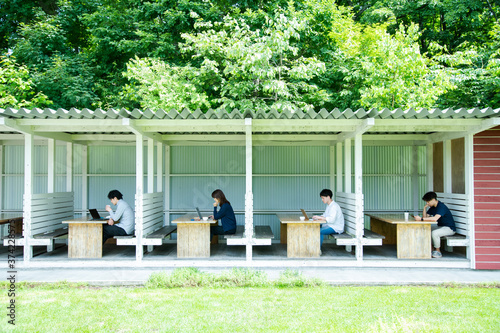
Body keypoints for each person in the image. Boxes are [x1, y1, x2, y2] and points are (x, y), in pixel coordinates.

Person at [414, 191, 456, 258]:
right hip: (441, 227)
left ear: (433, 200)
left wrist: (421, 219)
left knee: (434, 233)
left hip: (449, 228)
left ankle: (438, 251)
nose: (427, 203)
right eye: (426, 202)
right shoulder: (433, 207)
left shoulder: (441, 207)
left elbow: (435, 218)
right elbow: (425, 217)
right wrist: (424, 208)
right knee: (426, 230)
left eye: (428, 202)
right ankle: (431, 249)